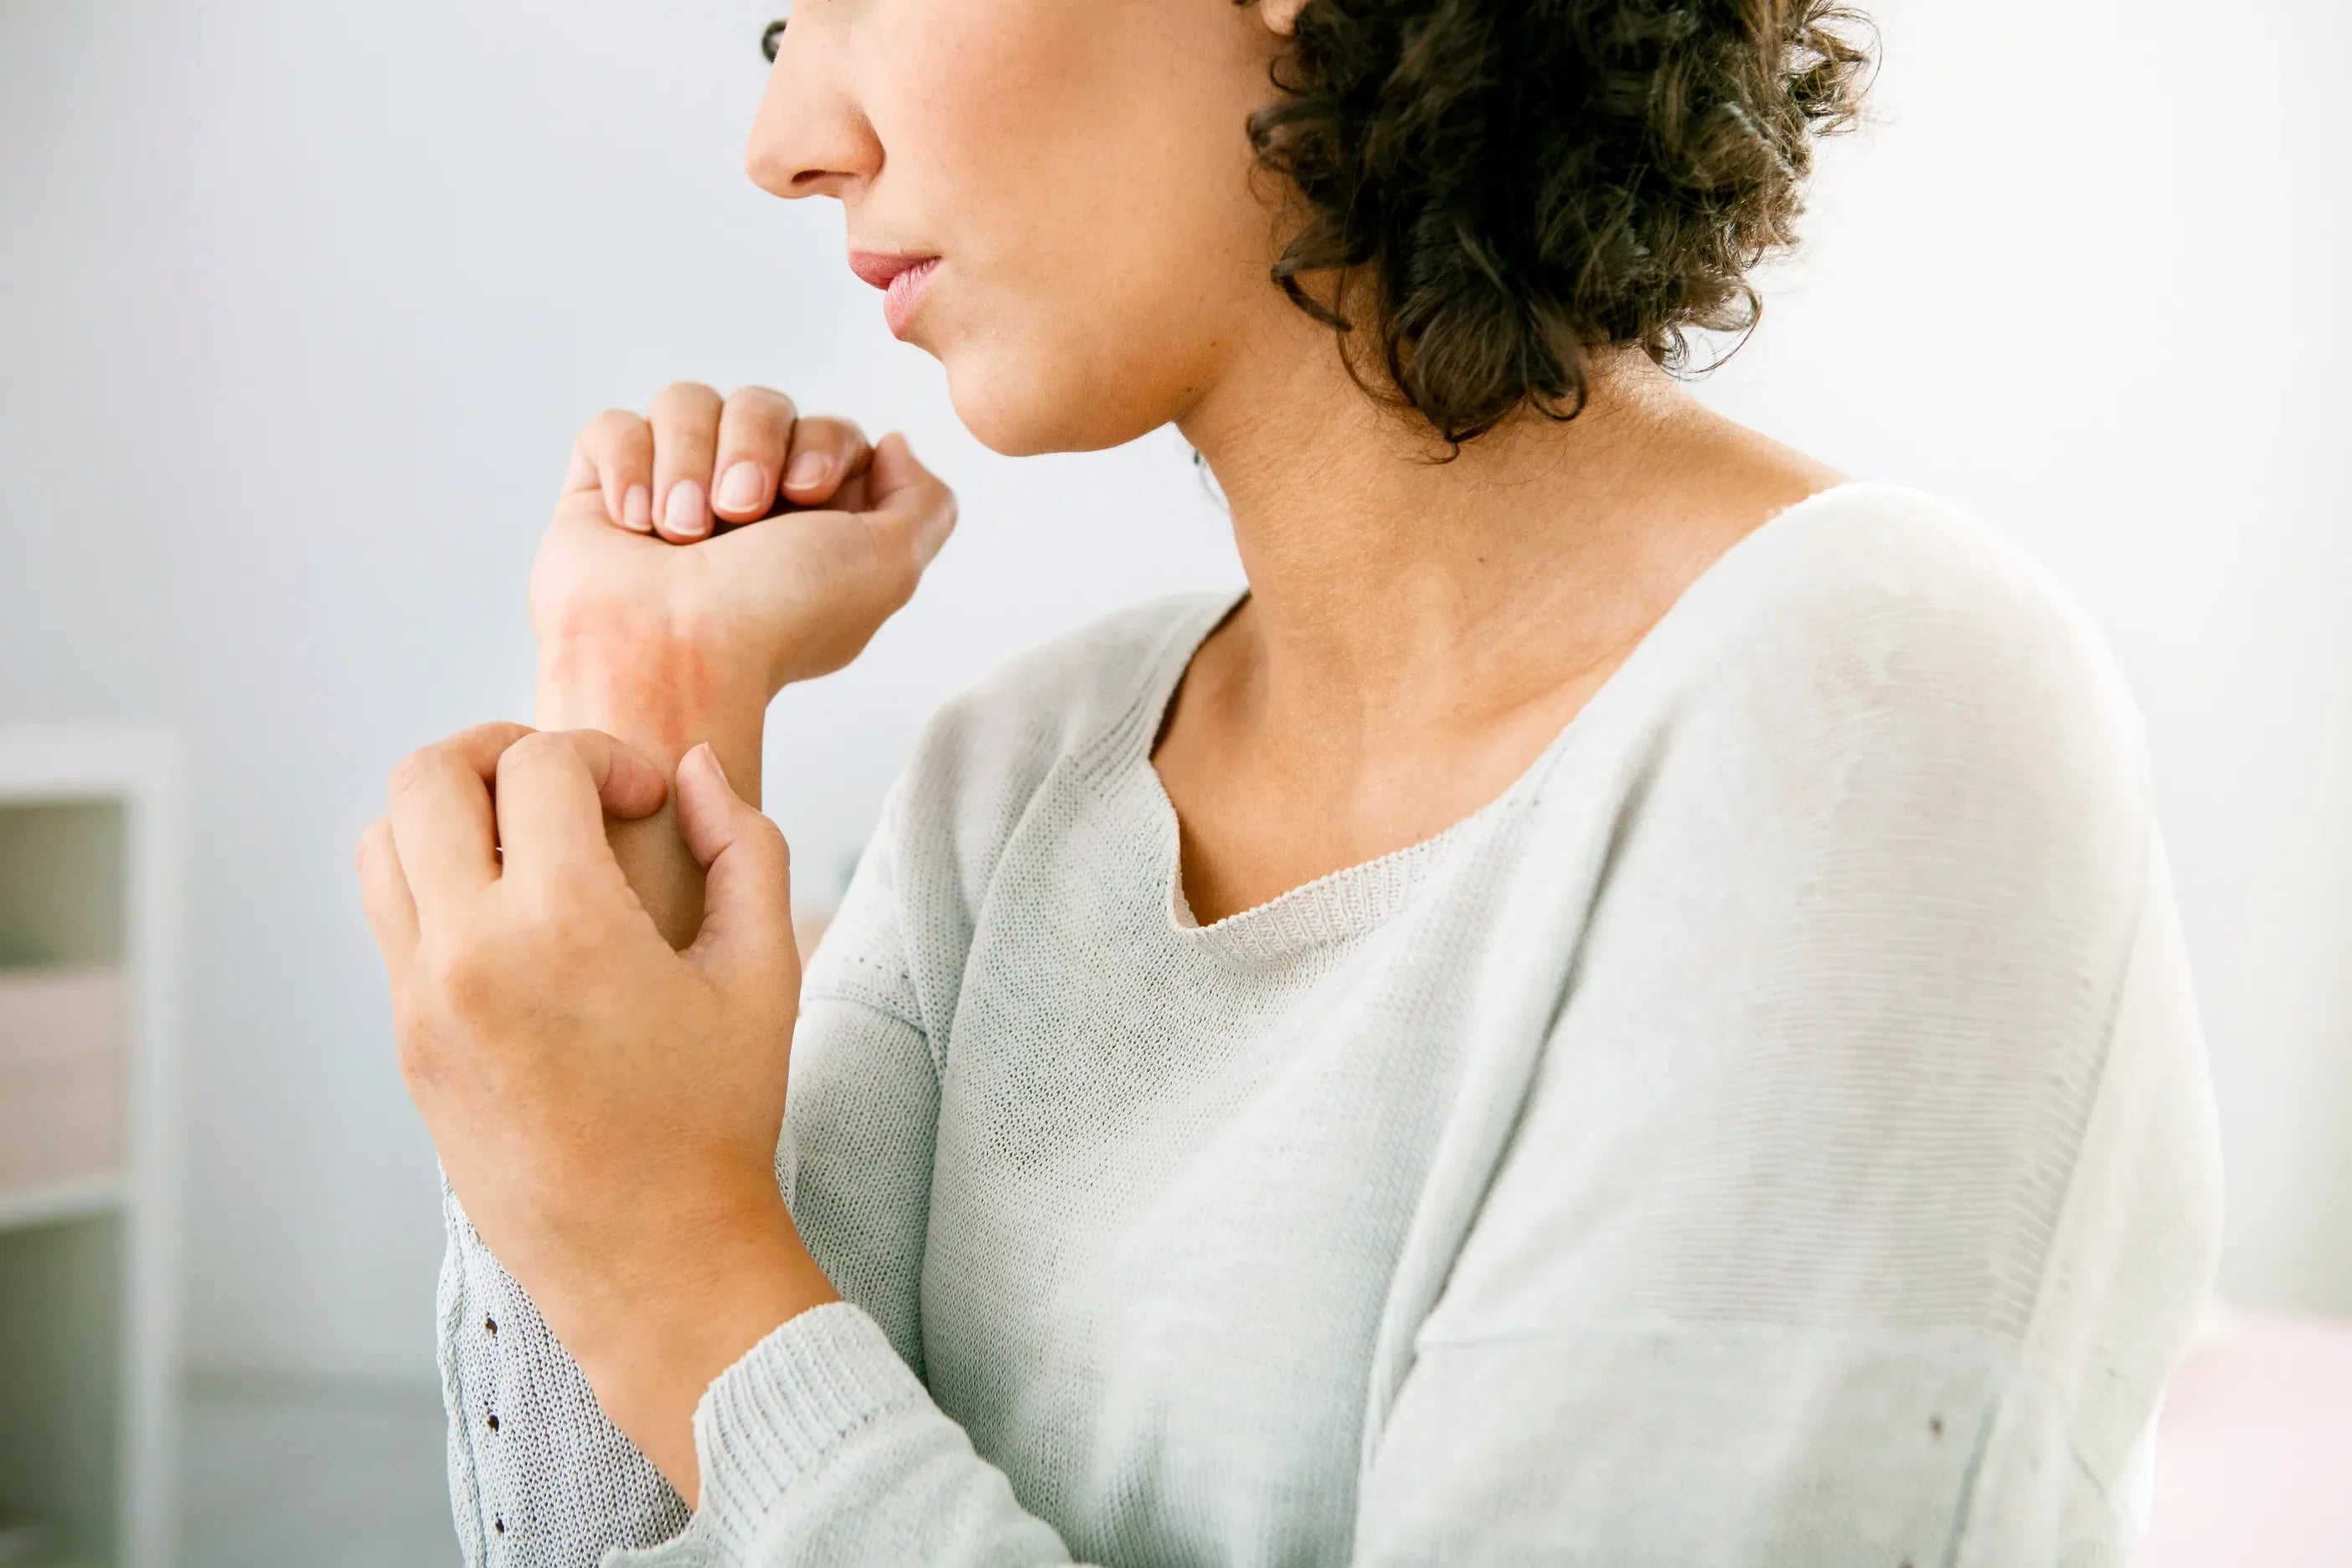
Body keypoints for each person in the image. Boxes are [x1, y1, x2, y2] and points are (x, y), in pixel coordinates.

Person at [355, 1, 2224, 1562]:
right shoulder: (1016, 785)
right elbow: (607, 1521)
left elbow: (700, 1332)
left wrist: (681, 1261)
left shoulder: (1877, 700)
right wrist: (652, 710)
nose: (784, 135)